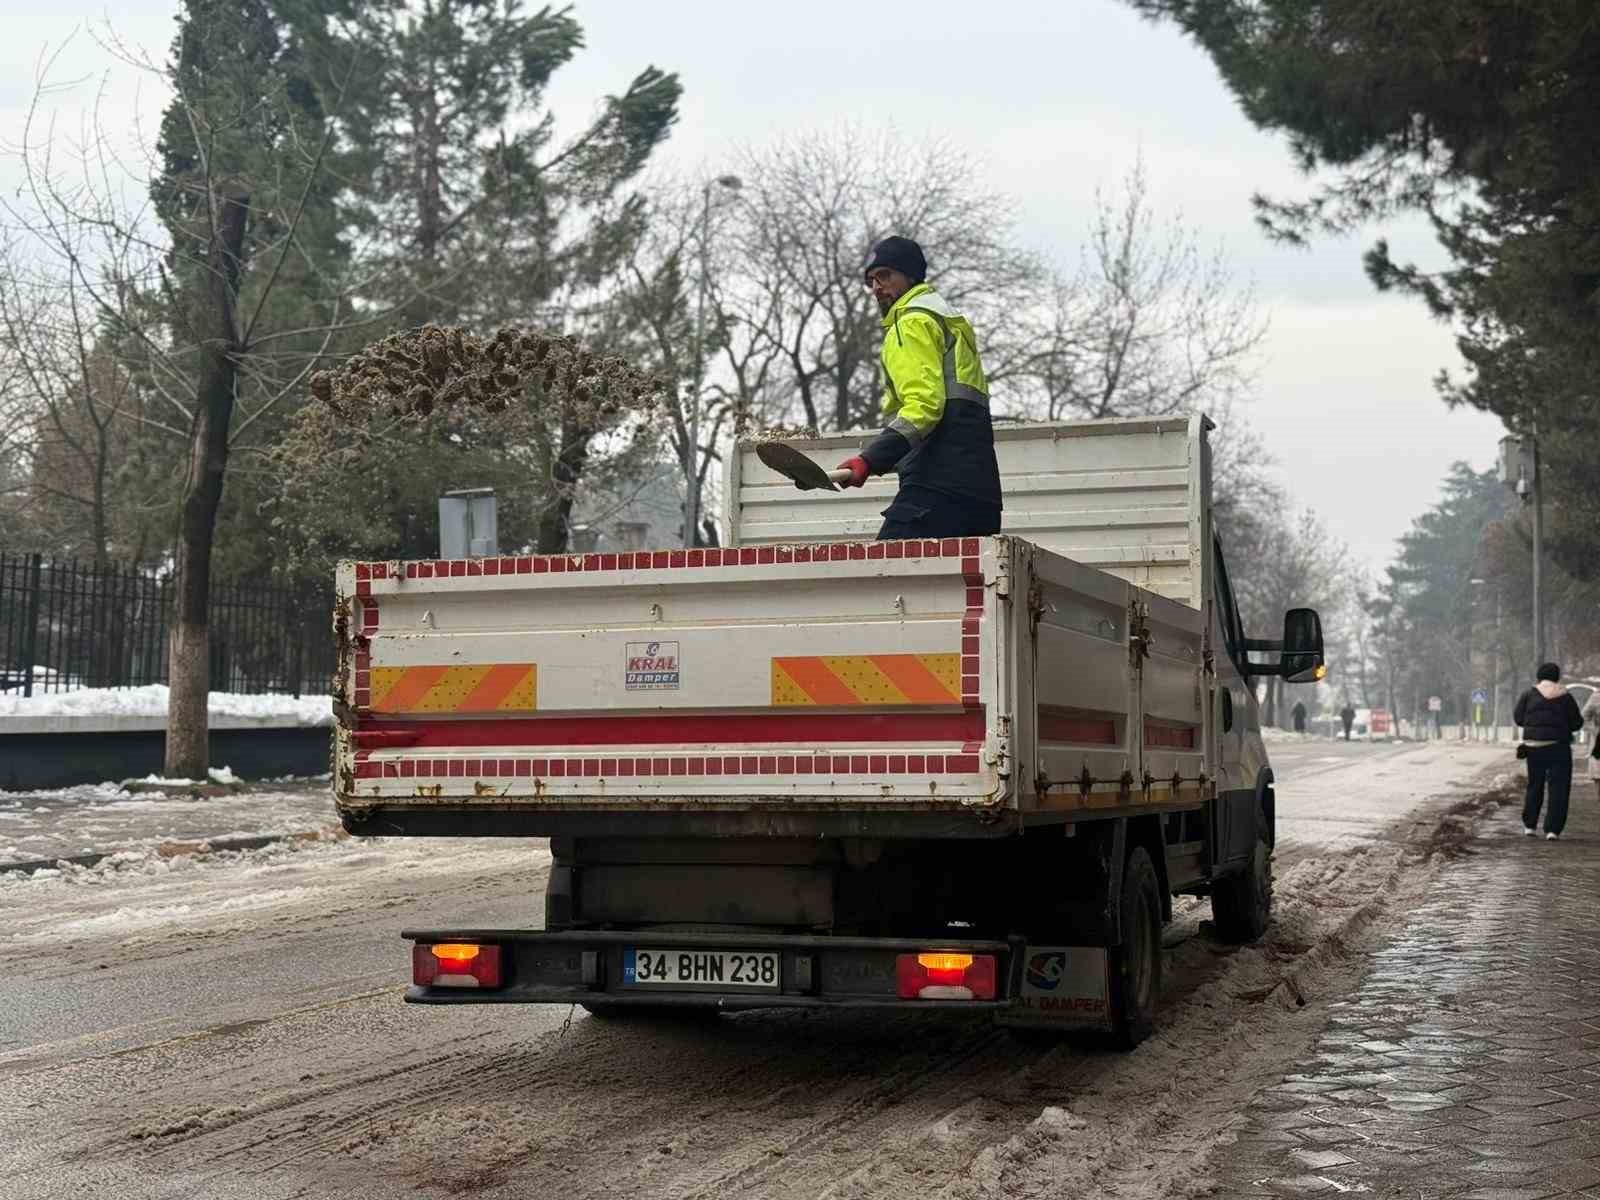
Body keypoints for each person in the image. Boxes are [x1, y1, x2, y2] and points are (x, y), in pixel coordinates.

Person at [838, 236, 1003, 540]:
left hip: (936, 490)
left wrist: (870, 459)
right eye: (870, 280)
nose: (876, 287)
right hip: (983, 499)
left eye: (884, 275)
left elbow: (925, 406)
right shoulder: (947, 319)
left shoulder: (911, 322)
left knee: (882, 573)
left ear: (910, 275)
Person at [1513, 662, 1584, 840]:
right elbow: (1577, 723)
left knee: (1534, 784)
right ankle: (1553, 830)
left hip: (1533, 746)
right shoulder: (1566, 696)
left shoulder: (1528, 694)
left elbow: (1519, 718)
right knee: (1559, 787)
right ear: (1557, 677)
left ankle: (1530, 825)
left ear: (1539, 676)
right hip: (1558, 746)